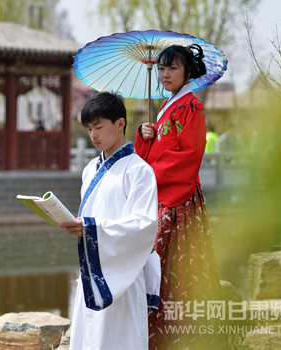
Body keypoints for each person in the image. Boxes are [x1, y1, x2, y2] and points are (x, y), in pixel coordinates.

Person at [134, 44, 227, 349]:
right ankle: (155, 333)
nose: (165, 74)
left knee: (177, 271)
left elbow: (187, 157)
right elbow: (148, 156)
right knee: (157, 270)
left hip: (177, 202)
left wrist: (149, 175)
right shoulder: (167, 109)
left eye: (172, 68)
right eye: (161, 68)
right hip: (159, 198)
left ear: (187, 71)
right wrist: (144, 136)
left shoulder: (193, 108)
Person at [60, 91, 161, 350]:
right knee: (89, 338)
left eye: (99, 127)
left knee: (119, 340)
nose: (93, 135)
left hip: (123, 275)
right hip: (92, 269)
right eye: (89, 128)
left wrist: (91, 228)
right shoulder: (90, 169)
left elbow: (143, 226)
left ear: (120, 124)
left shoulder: (140, 171)